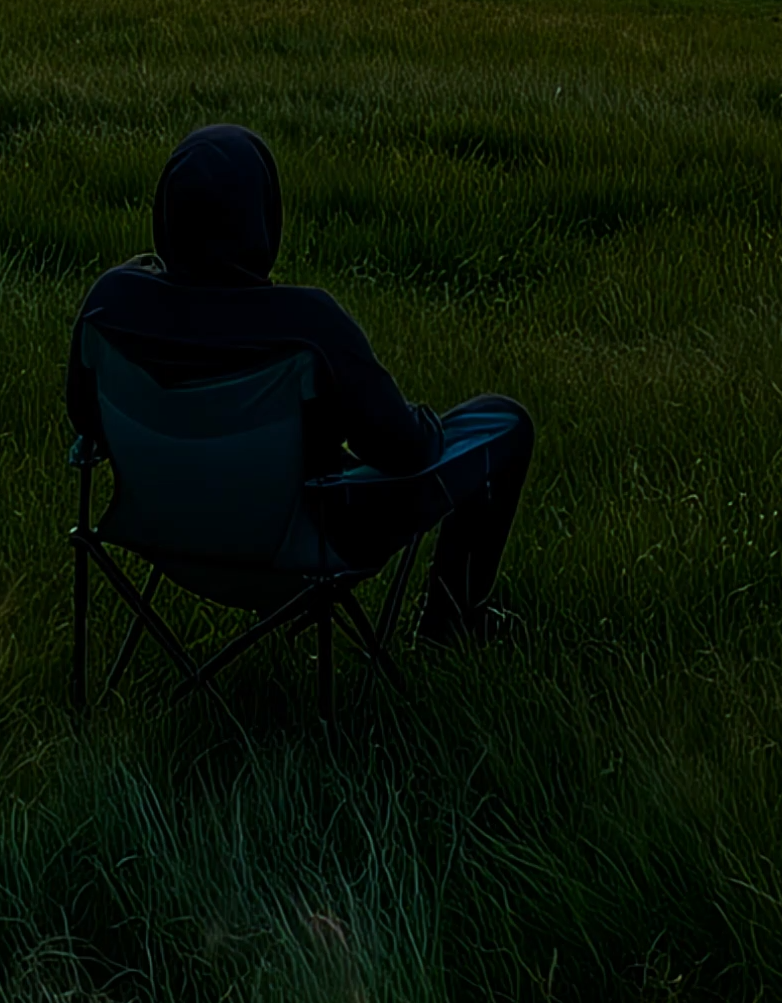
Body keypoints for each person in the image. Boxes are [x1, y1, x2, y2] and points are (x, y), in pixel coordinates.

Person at [68, 122, 532, 645]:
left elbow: (88, 423)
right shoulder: (306, 324)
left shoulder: (112, 304)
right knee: (504, 422)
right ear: (262, 218)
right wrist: (423, 423)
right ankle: (453, 628)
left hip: (158, 534)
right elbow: (406, 453)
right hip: (298, 550)